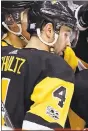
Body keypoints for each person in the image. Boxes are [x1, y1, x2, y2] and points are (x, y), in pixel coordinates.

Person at [1, 1, 77, 130]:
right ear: (49, 30)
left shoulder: (3, 54)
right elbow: (38, 127)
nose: (68, 42)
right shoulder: (55, 66)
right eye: (66, 34)